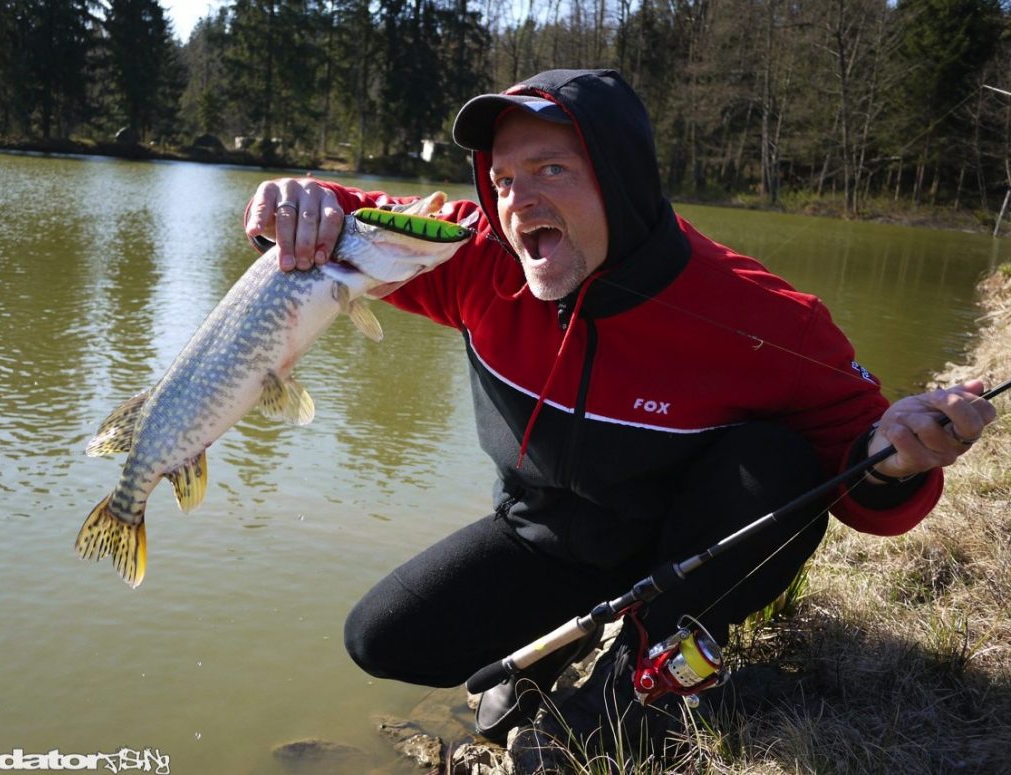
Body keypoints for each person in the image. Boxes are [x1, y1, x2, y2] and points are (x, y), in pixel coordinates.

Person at [244, 69, 996, 769]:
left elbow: (867, 469)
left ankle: (644, 674)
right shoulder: (476, 261)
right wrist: (303, 202)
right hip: (546, 538)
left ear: (623, 175)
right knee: (380, 638)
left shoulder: (764, 317)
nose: (517, 200)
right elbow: (359, 218)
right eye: (503, 179)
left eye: (552, 169)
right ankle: (544, 649)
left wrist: (901, 454)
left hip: (683, 547)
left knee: (781, 463)